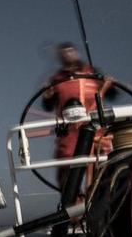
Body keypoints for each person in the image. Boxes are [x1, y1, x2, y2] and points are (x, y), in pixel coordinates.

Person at [40, 43, 117, 189]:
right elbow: (48, 105)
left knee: (103, 175)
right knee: (67, 177)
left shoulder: (93, 73)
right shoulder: (56, 80)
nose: (68, 55)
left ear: (77, 53)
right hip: (69, 135)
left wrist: (110, 85)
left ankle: (101, 200)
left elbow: (112, 94)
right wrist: (47, 96)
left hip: (98, 134)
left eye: (71, 51)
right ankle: (73, 206)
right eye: (64, 53)